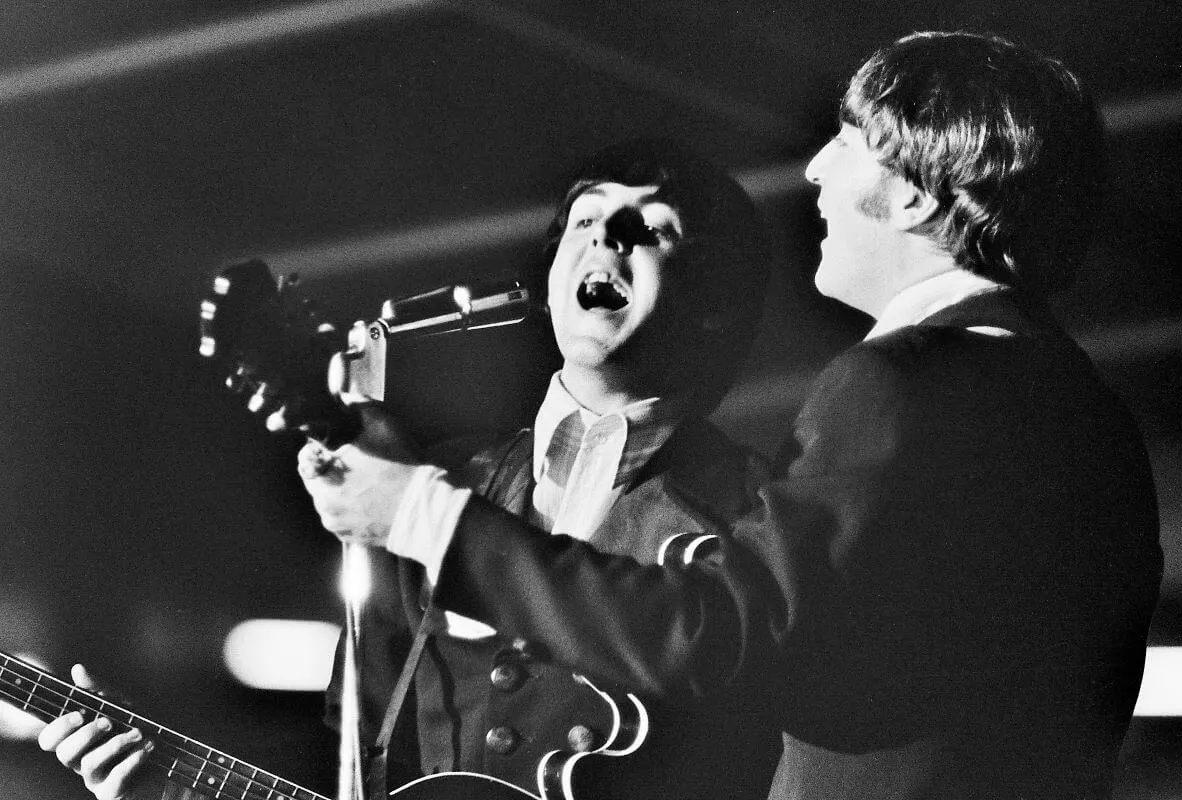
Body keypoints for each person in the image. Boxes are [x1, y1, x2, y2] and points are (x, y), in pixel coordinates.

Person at [304, 31, 1160, 799]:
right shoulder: (1091, 418)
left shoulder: (898, 385)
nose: (817, 169)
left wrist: (418, 511)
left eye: (850, 143)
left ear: (912, 198)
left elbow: (721, 635)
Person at [37, 138, 780, 800]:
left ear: (713, 303)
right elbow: (349, 761)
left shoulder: (751, 506)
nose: (605, 240)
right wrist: (162, 790)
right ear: (552, 279)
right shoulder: (440, 477)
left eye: (649, 229)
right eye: (585, 221)